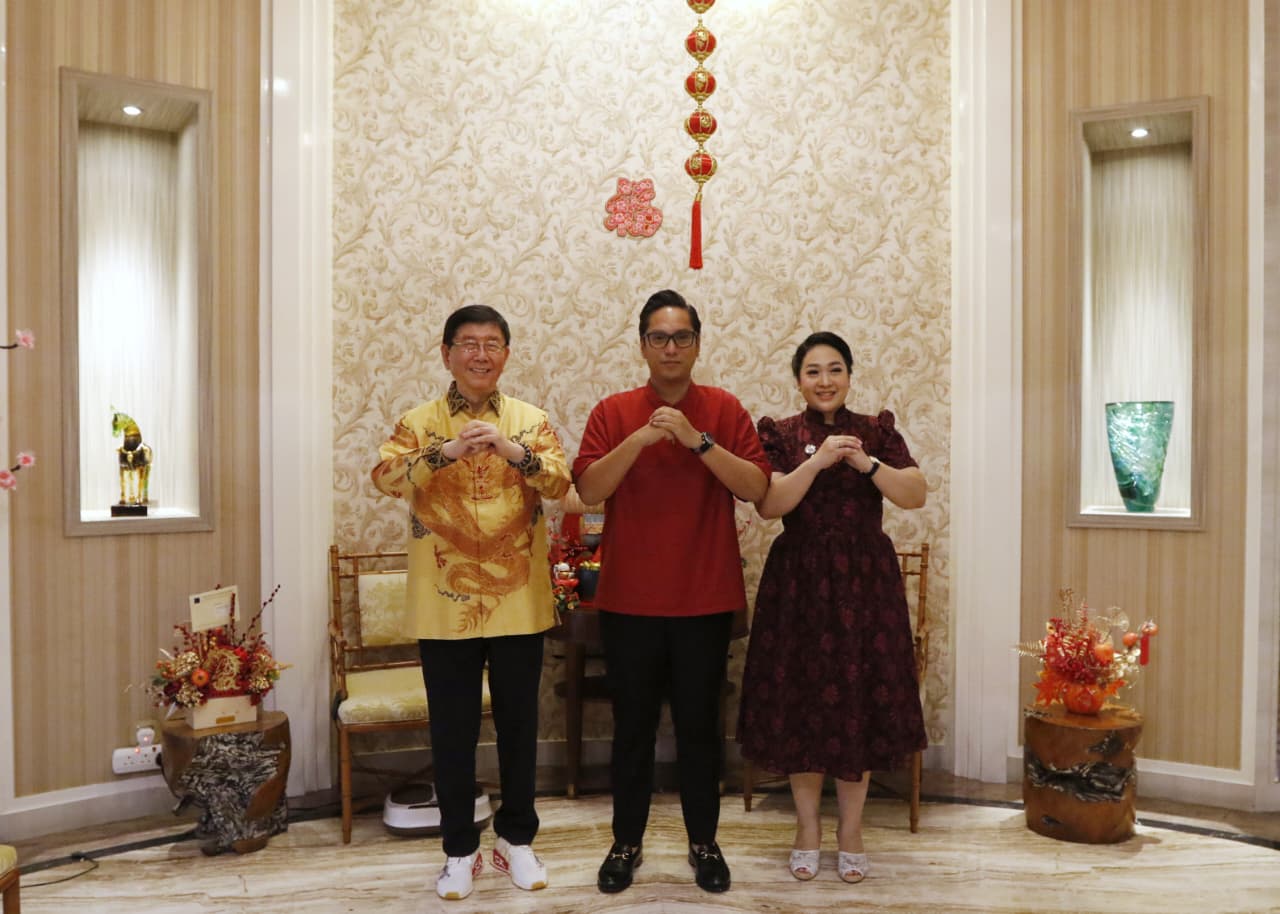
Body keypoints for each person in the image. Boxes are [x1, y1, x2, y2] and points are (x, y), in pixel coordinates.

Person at [573, 289, 771, 895]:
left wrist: (696, 440)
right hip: (629, 601)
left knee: (699, 731)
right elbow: (589, 490)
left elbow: (756, 488)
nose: (670, 348)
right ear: (642, 346)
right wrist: (638, 440)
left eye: (682, 337)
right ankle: (625, 843)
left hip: (704, 599)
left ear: (697, 345)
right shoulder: (613, 411)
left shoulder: (724, 408)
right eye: (658, 337)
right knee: (631, 730)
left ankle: (704, 842)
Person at [371, 304, 571, 902]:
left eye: (491, 344)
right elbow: (385, 477)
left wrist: (511, 450)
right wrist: (446, 451)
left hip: (518, 600)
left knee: (519, 725)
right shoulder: (418, 423)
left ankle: (517, 840)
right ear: (446, 354)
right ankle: (459, 849)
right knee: (452, 731)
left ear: (506, 354)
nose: (480, 354)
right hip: (444, 601)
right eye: (468, 343)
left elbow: (561, 483)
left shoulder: (530, 421)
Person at [736, 330, 927, 885]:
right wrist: (817, 462)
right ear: (799, 381)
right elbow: (770, 505)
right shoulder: (779, 433)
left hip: (866, 586)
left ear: (849, 375)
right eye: (813, 371)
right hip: (799, 585)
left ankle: (851, 831)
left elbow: (914, 493)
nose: (825, 380)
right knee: (800, 702)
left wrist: (867, 464)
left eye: (835, 369)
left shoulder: (876, 431)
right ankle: (806, 829)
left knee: (856, 704)